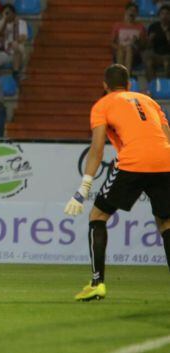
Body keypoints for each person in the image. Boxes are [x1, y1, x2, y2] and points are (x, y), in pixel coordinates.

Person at [65, 64, 170, 301]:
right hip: (166, 160)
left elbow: (97, 150)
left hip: (133, 161)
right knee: (166, 223)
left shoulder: (102, 105)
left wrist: (83, 190)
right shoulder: (149, 101)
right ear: (129, 84)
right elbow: (166, 136)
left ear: (104, 85)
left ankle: (96, 284)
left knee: (98, 216)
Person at [0, 4, 27, 76]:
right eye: (5, 13)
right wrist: (4, 20)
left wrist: (15, 42)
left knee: (16, 46)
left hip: (18, 52)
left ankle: (16, 73)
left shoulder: (21, 22)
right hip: (5, 52)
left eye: (8, 13)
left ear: (14, 14)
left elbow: (23, 37)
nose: (6, 14)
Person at [111, 3, 146, 74]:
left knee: (129, 48)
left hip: (135, 55)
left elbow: (143, 45)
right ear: (126, 11)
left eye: (134, 11)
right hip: (120, 51)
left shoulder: (140, 27)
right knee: (121, 51)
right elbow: (112, 43)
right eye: (130, 10)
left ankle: (126, 76)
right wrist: (118, 47)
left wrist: (137, 41)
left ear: (137, 13)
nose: (132, 12)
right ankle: (121, 75)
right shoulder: (118, 25)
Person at [144, 5, 170, 82]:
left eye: (167, 14)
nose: (164, 16)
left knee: (167, 62)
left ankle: (166, 86)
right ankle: (152, 85)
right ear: (159, 15)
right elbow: (147, 46)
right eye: (162, 14)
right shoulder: (153, 27)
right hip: (156, 54)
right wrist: (150, 40)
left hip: (168, 55)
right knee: (148, 62)